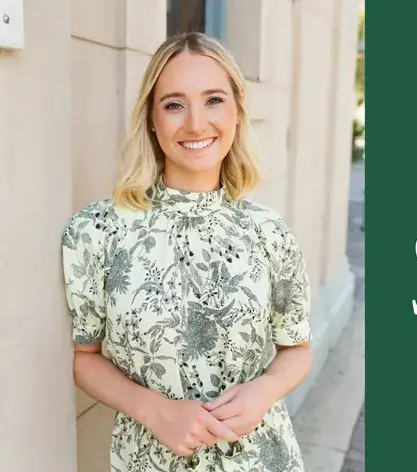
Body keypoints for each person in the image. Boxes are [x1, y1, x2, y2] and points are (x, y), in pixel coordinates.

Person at [61, 32, 313, 471]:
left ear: (237, 112)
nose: (196, 124)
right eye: (174, 104)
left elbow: (297, 348)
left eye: (214, 100)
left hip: (261, 460)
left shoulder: (268, 231)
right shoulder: (95, 231)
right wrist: (153, 410)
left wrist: (262, 392)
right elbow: (85, 357)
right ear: (152, 121)